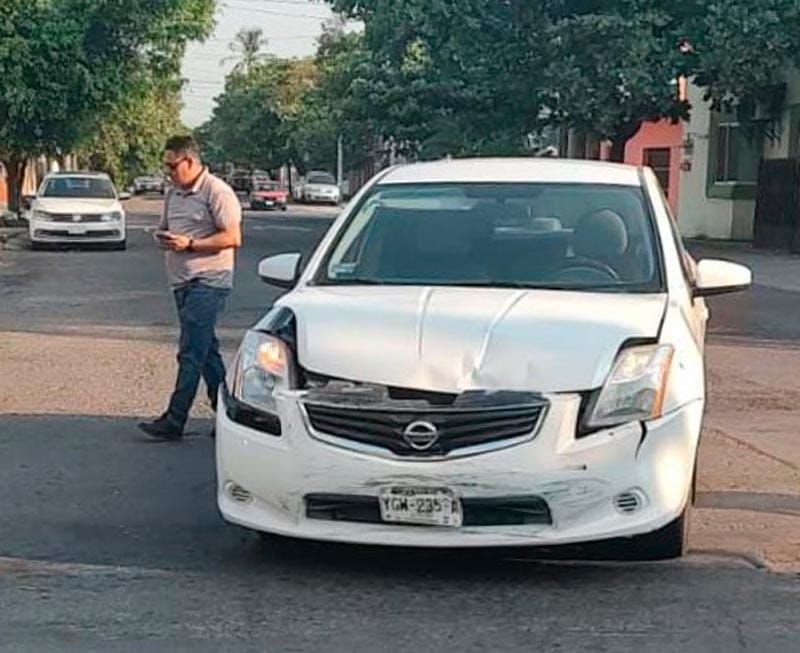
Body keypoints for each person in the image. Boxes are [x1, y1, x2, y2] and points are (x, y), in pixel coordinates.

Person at [138, 135, 242, 440]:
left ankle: (175, 419)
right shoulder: (174, 194)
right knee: (206, 351)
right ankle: (230, 413)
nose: (169, 172)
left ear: (190, 161)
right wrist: (164, 237)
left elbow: (232, 237)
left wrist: (192, 244)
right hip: (181, 281)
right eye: (166, 167)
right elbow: (166, 227)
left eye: (172, 166)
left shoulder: (217, 192)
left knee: (190, 353)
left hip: (209, 281)